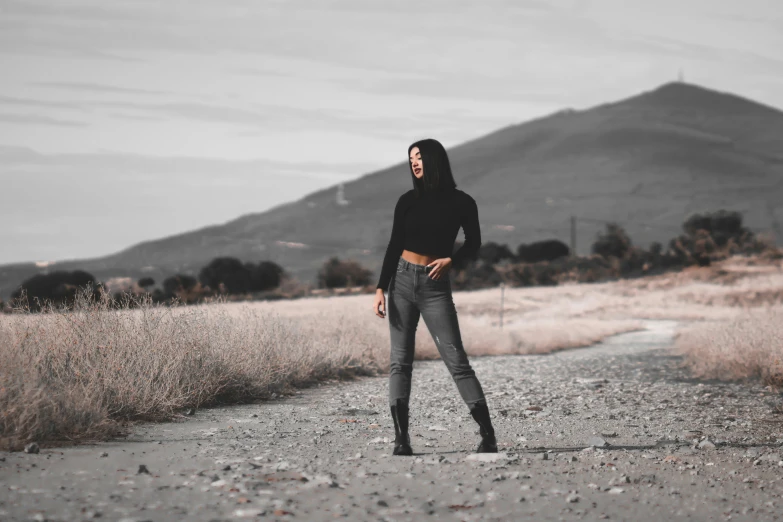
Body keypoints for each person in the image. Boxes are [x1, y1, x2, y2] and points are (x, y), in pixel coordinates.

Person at [372, 138, 497, 456]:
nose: (414, 163)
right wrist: (379, 288)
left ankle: (488, 435)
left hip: (434, 285)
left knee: (457, 360)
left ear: (434, 160)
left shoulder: (462, 202)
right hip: (400, 281)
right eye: (410, 158)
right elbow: (394, 243)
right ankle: (402, 439)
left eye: (419, 157)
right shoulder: (406, 201)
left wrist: (451, 259)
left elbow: (474, 242)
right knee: (400, 362)